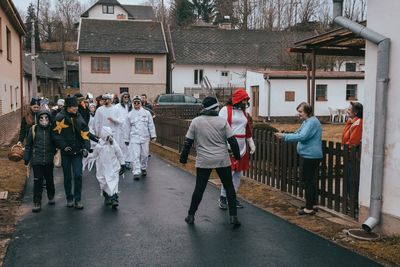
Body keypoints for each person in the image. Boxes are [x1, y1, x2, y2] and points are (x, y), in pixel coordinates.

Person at [180, 96, 241, 228]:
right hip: (222, 159)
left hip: (204, 160)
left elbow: (187, 143)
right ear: (215, 108)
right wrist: (237, 157)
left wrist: (183, 158)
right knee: (229, 187)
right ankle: (233, 217)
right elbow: (233, 141)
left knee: (199, 188)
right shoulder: (222, 122)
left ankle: (191, 215)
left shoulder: (196, 122)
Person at [275, 102, 322, 215]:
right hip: (310, 155)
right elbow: (299, 132)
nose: (299, 114)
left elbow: (302, 136)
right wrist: (287, 134)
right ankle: (312, 204)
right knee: (310, 180)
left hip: (311, 156)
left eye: (301, 112)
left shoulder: (311, 122)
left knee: (308, 181)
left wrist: (285, 136)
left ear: (308, 111)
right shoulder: (308, 121)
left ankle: (309, 208)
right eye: (299, 111)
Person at [218, 88, 255, 210]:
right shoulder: (225, 110)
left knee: (238, 173)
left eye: (246, 100)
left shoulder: (243, 112)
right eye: (244, 100)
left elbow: (246, 127)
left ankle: (232, 197)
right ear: (238, 99)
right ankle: (223, 197)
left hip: (242, 147)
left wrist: (250, 142)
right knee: (229, 173)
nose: (245, 102)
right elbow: (220, 127)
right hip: (229, 145)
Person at [52, 96, 90, 209]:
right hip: (66, 153)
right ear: (67, 107)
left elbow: (85, 132)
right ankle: (69, 198)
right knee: (68, 177)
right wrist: (63, 146)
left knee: (78, 175)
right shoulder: (59, 117)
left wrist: (86, 147)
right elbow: (55, 134)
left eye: (76, 106)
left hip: (77, 152)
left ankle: (78, 200)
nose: (75, 109)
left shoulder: (79, 117)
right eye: (73, 107)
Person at [83, 126, 125, 208]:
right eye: (108, 137)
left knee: (113, 182)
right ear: (104, 136)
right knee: (104, 183)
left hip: (113, 168)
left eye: (111, 137)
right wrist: (87, 155)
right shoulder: (99, 146)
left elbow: (120, 154)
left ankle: (114, 198)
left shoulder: (114, 145)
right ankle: (107, 197)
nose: (110, 138)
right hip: (102, 169)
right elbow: (94, 155)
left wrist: (122, 164)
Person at [23, 110, 56, 212]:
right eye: (41, 118)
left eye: (46, 118)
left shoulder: (52, 129)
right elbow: (28, 145)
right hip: (37, 160)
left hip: (49, 160)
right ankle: (37, 202)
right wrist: (26, 158)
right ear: (38, 119)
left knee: (49, 179)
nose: (44, 120)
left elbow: (57, 142)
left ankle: (51, 196)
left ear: (49, 119)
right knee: (38, 181)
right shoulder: (34, 129)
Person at [124, 95, 156, 180]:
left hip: (145, 138)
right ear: (133, 103)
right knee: (136, 155)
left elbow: (151, 125)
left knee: (145, 155)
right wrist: (126, 139)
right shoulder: (129, 115)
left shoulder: (147, 113)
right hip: (134, 138)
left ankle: (143, 168)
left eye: (138, 102)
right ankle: (136, 172)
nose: (136, 104)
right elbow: (127, 128)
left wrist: (153, 135)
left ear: (141, 103)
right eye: (135, 103)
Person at [115, 92, 132, 167]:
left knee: (128, 146)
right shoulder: (117, 107)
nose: (126, 98)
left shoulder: (131, 106)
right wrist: (119, 121)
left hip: (128, 130)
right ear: (122, 98)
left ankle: (127, 160)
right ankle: (121, 161)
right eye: (125, 97)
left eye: (127, 97)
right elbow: (114, 116)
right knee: (120, 145)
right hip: (120, 129)